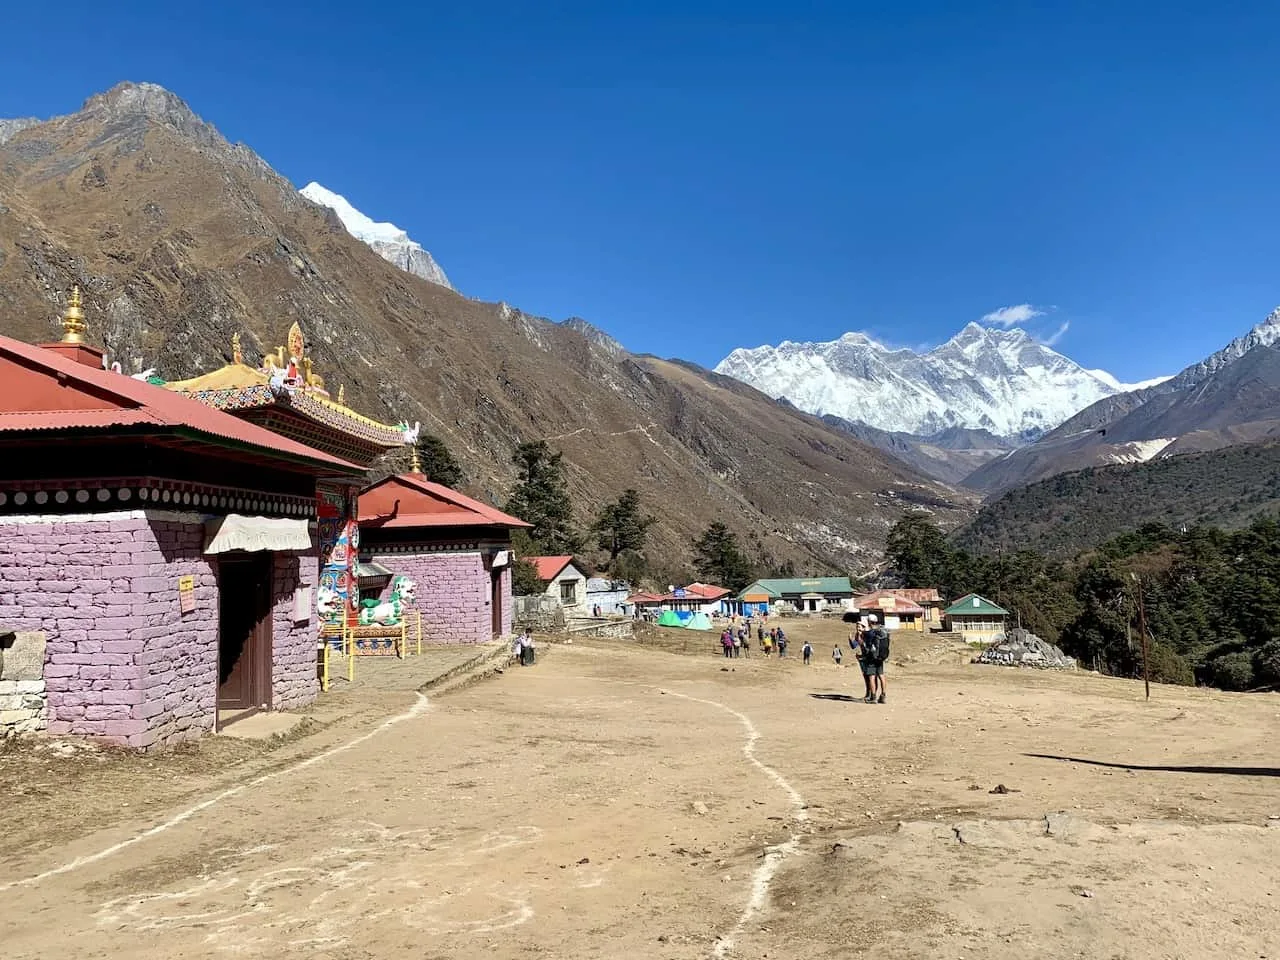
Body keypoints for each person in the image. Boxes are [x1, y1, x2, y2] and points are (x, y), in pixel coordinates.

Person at [863, 620, 888, 703]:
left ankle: (873, 697)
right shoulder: (882, 632)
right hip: (881, 657)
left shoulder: (869, 633)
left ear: (869, 623)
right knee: (881, 676)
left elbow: (865, 644)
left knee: (872, 677)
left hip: (871, 657)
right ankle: (883, 696)